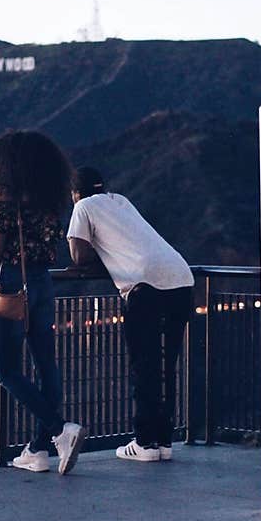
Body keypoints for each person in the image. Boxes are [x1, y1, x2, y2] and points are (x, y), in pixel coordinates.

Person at [67, 166, 194, 462]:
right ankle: (163, 442)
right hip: (181, 278)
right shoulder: (120, 200)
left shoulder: (83, 207)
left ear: (75, 193)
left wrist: (109, 262)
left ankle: (145, 443)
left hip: (145, 285)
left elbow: (78, 256)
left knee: (144, 366)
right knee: (166, 367)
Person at [0, 130, 86, 474]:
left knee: (7, 370)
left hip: (13, 282)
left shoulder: (8, 200)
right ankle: (39, 449)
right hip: (43, 282)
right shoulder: (49, 202)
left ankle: (59, 431)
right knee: (46, 364)